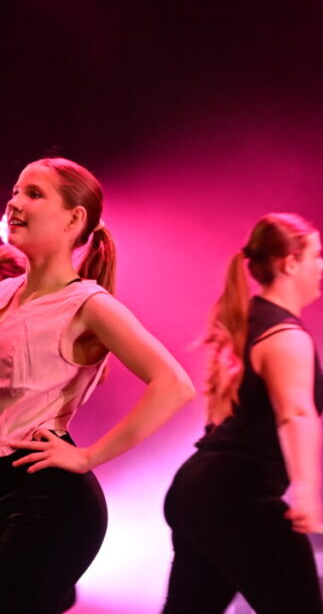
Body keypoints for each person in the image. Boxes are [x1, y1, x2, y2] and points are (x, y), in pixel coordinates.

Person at [0, 157, 194, 614]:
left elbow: (174, 384)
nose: (15, 202)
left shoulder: (89, 305)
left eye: (34, 194)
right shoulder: (5, 293)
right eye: (15, 191)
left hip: (45, 499)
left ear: (74, 219)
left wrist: (89, 456)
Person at [163, 213, 323, 614]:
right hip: (237, 495)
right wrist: (307, 489)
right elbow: (296, 413)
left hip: (195, 489)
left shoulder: (248, 321)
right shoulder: (285, 335)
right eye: (316, 255)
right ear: (290, 263)